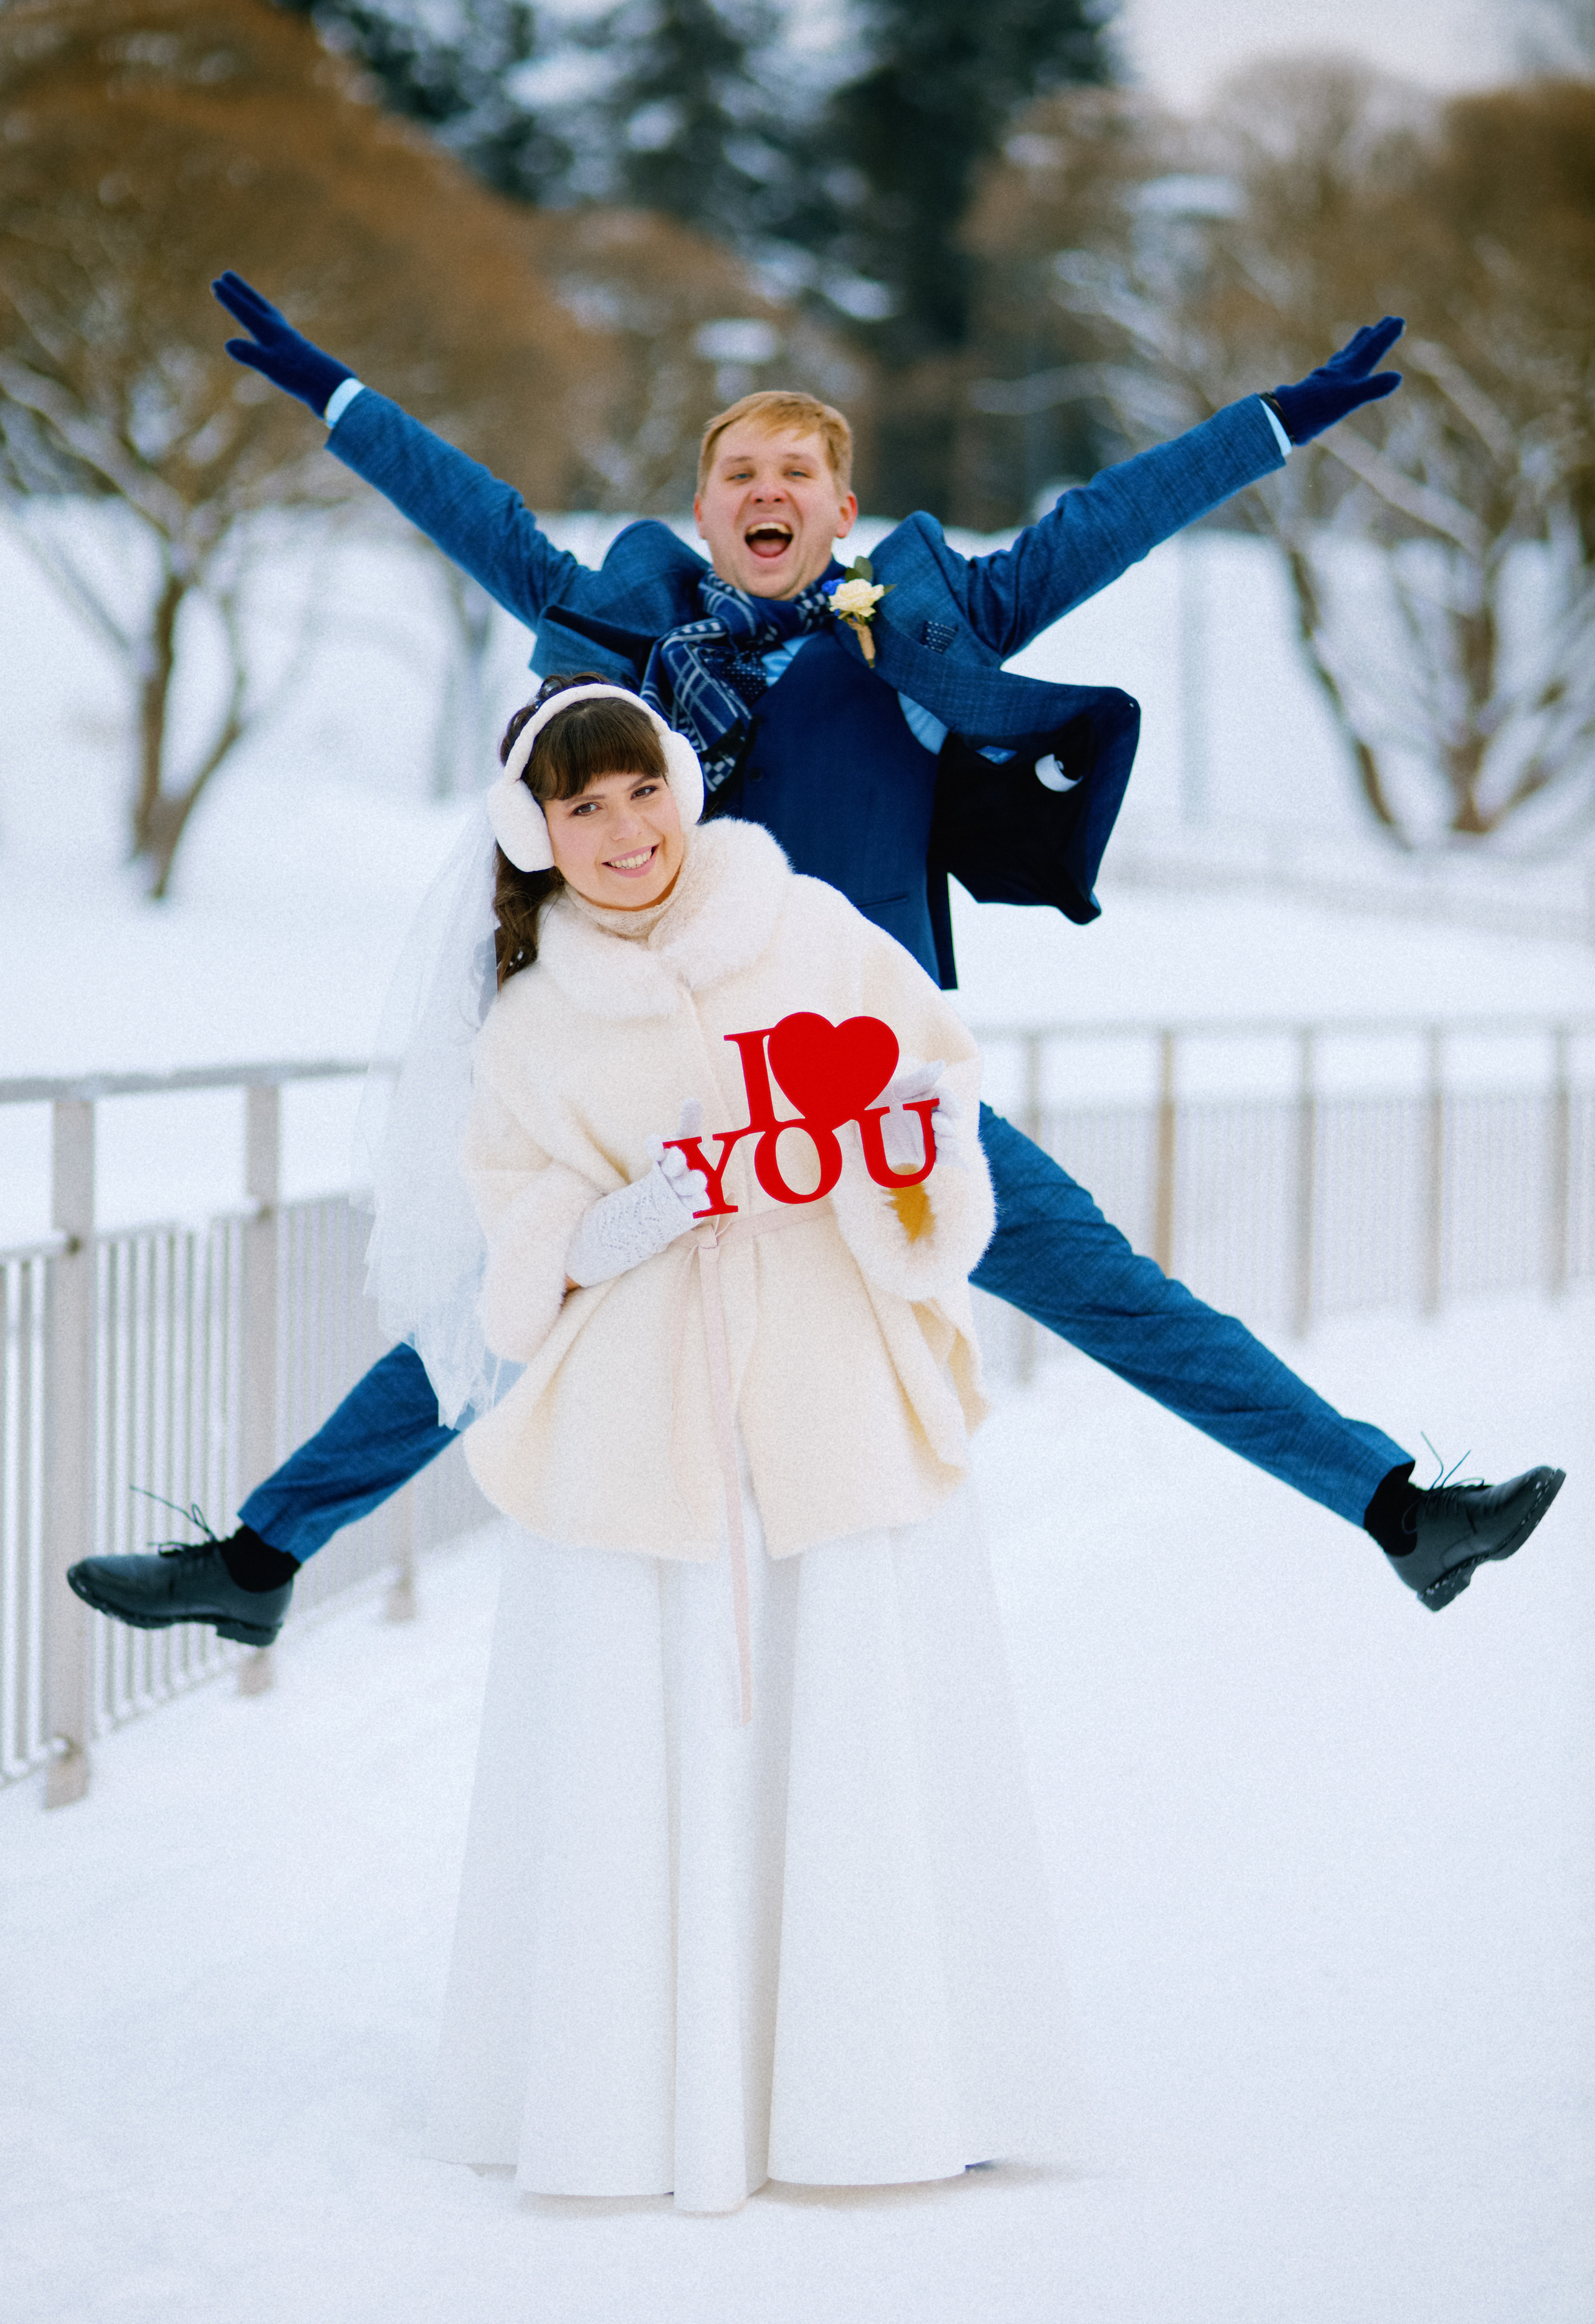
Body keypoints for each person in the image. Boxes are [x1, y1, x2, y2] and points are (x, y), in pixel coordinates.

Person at [64, 281, 1564, 1652]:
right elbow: (485, 521)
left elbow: (1106, 520)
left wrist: (1273, 423)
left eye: (795, 471)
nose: (765, 490)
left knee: (1113, 1292)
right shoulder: (638, 642)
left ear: (841, 509)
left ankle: (1398, 1513)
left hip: (866, 1074)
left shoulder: (925, 626)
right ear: (704, 511)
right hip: (669, 1079)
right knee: (502, 1301)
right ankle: (259, 1559)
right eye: (738, 473)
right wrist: (336, 398)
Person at [427, 676, 1067, 2209]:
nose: (622, 831)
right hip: (642, 1414)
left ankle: (877, 2083)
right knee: (655, 1733)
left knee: (841, 1704)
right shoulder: (529, 1025)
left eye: (638, 789)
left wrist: (886, 1157)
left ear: (679, 785)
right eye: (582, 807)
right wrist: (637, 1209)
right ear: (538, 833)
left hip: (825, 1375)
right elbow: (522, 1250)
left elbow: (932, 1092)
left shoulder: (810, 929)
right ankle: (654, 2095)